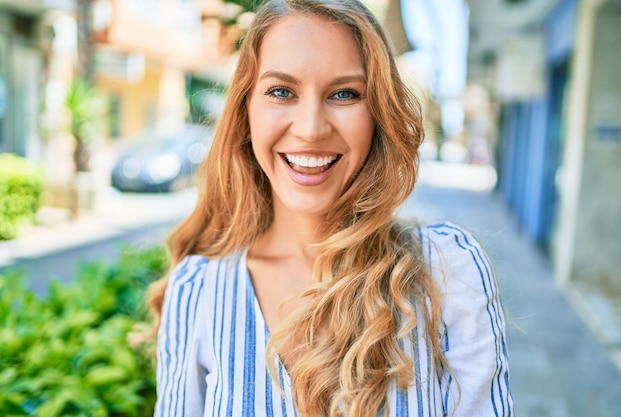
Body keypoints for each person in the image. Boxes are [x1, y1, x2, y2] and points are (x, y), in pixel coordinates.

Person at [148, 0, 514, 416]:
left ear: (377, 115)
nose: (310, 129)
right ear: (246, 111)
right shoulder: (197, 291)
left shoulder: (447, 270)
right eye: (281, 91)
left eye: (344, 94)